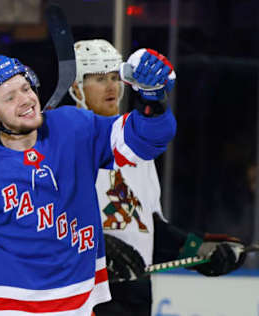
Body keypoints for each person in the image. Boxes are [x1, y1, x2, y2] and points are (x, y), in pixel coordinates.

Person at [0, 53, 176, 316]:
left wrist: (153, 101)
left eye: (25, 88)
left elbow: (143, 140)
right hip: (8, 308)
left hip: (80, 304)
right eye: (9, 97)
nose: (25, 100)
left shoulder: (73, 128)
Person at [69, 39, 246, 316]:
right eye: (100, 78)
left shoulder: (137, 148)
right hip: (83, 299)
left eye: (116, 77)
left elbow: (148, 229)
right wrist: (99, 250)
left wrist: (200, 251)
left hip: (135, 299)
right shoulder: (64, 147)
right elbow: (43, 228)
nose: (111, 86)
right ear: (75, 88)